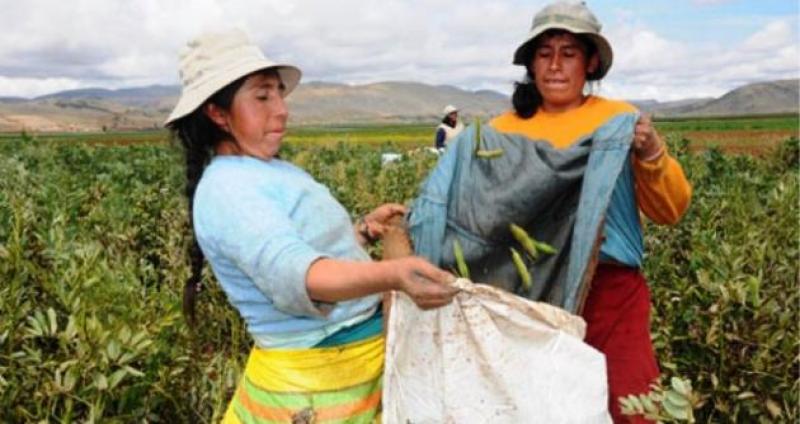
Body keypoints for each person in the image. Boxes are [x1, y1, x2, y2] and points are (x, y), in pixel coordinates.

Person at [165, 29, 458, 423]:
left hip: (343, 367)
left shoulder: (262, 169)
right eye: (262, 96)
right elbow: (299, 276)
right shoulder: (228, 190)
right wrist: (393, 273)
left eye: (279, 94)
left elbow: (304, 249)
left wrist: (361, 231)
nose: (281, 109)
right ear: (218, 114)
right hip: (315, 386)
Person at [489, 2, 692, 423]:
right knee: (542, 405)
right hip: (532, 294)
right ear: (531, 64)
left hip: (611, 291)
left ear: (591, 62)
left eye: (569, 53)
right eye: (544, 54)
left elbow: (670, 210)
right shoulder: (502, 131)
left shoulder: (619, 121)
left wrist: (652, 152)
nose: (556, 66)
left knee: (632, 402)